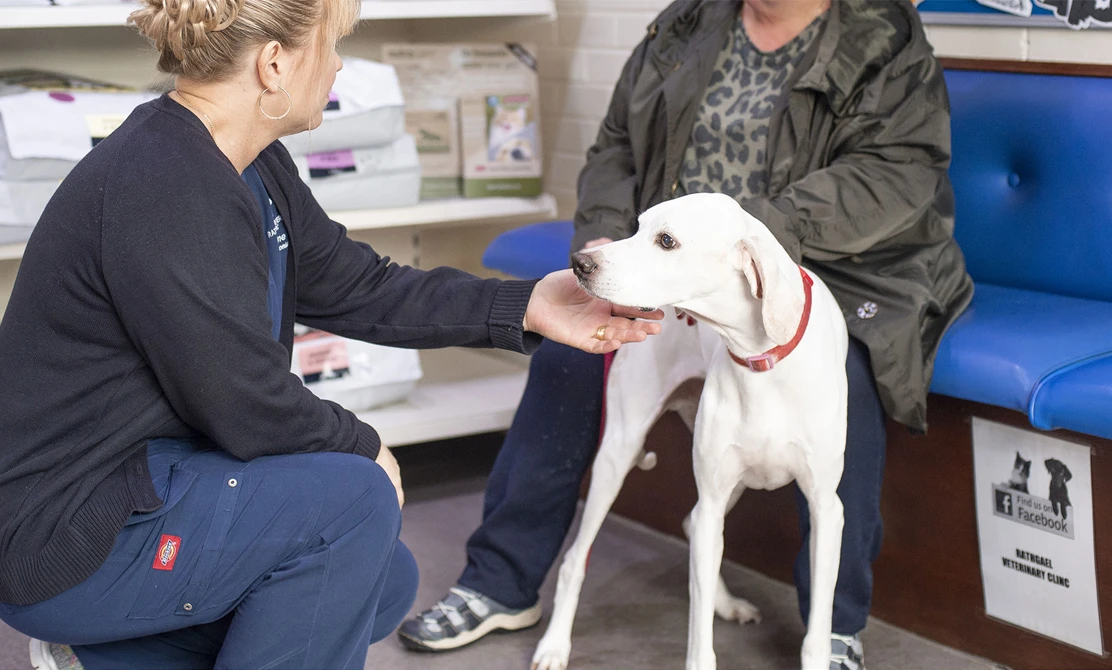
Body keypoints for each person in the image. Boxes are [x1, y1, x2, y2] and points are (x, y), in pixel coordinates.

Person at [0, 1, 664, 668]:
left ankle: (101, 659)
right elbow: (241, 397)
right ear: (274, 64)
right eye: (331, 44)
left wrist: (526, 305)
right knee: (350, 505)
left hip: (147, 476)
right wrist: (365, 451)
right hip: (61, 530)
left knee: (380, 579)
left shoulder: (251, 163)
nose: (336, 67)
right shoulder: (162, 180)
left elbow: (356, 282)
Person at [398, 1, 974, 668]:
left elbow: (890, 178)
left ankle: (835, 627)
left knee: (847, 368)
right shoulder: (687, 22)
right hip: (677, 264)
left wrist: (744, 235)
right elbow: (616, 145)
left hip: (846, 272)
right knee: (573, 357)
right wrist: (609, 239)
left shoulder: (885, 39)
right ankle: (500, 583)